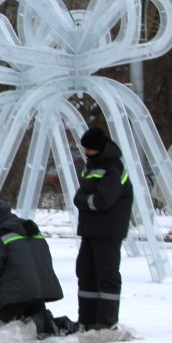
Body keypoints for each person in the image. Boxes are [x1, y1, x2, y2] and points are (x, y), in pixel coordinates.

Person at [73, 126, 134, 330]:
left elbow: (102, 201)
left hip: (108, 232)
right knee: (85, 272)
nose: (85, 152)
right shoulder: (92, 165)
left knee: (106, 275)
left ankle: (106, 321)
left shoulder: (113, 168)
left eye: (88, 149)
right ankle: (87, 319)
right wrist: (83, 199)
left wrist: (82, 200)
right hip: (90, 229)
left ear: (97, 148)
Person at [0, 200, 64, 335]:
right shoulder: (32, 230)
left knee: (4, 326)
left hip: (17, 295)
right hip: (41, 293)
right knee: (40, 325)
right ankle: (43, 324)